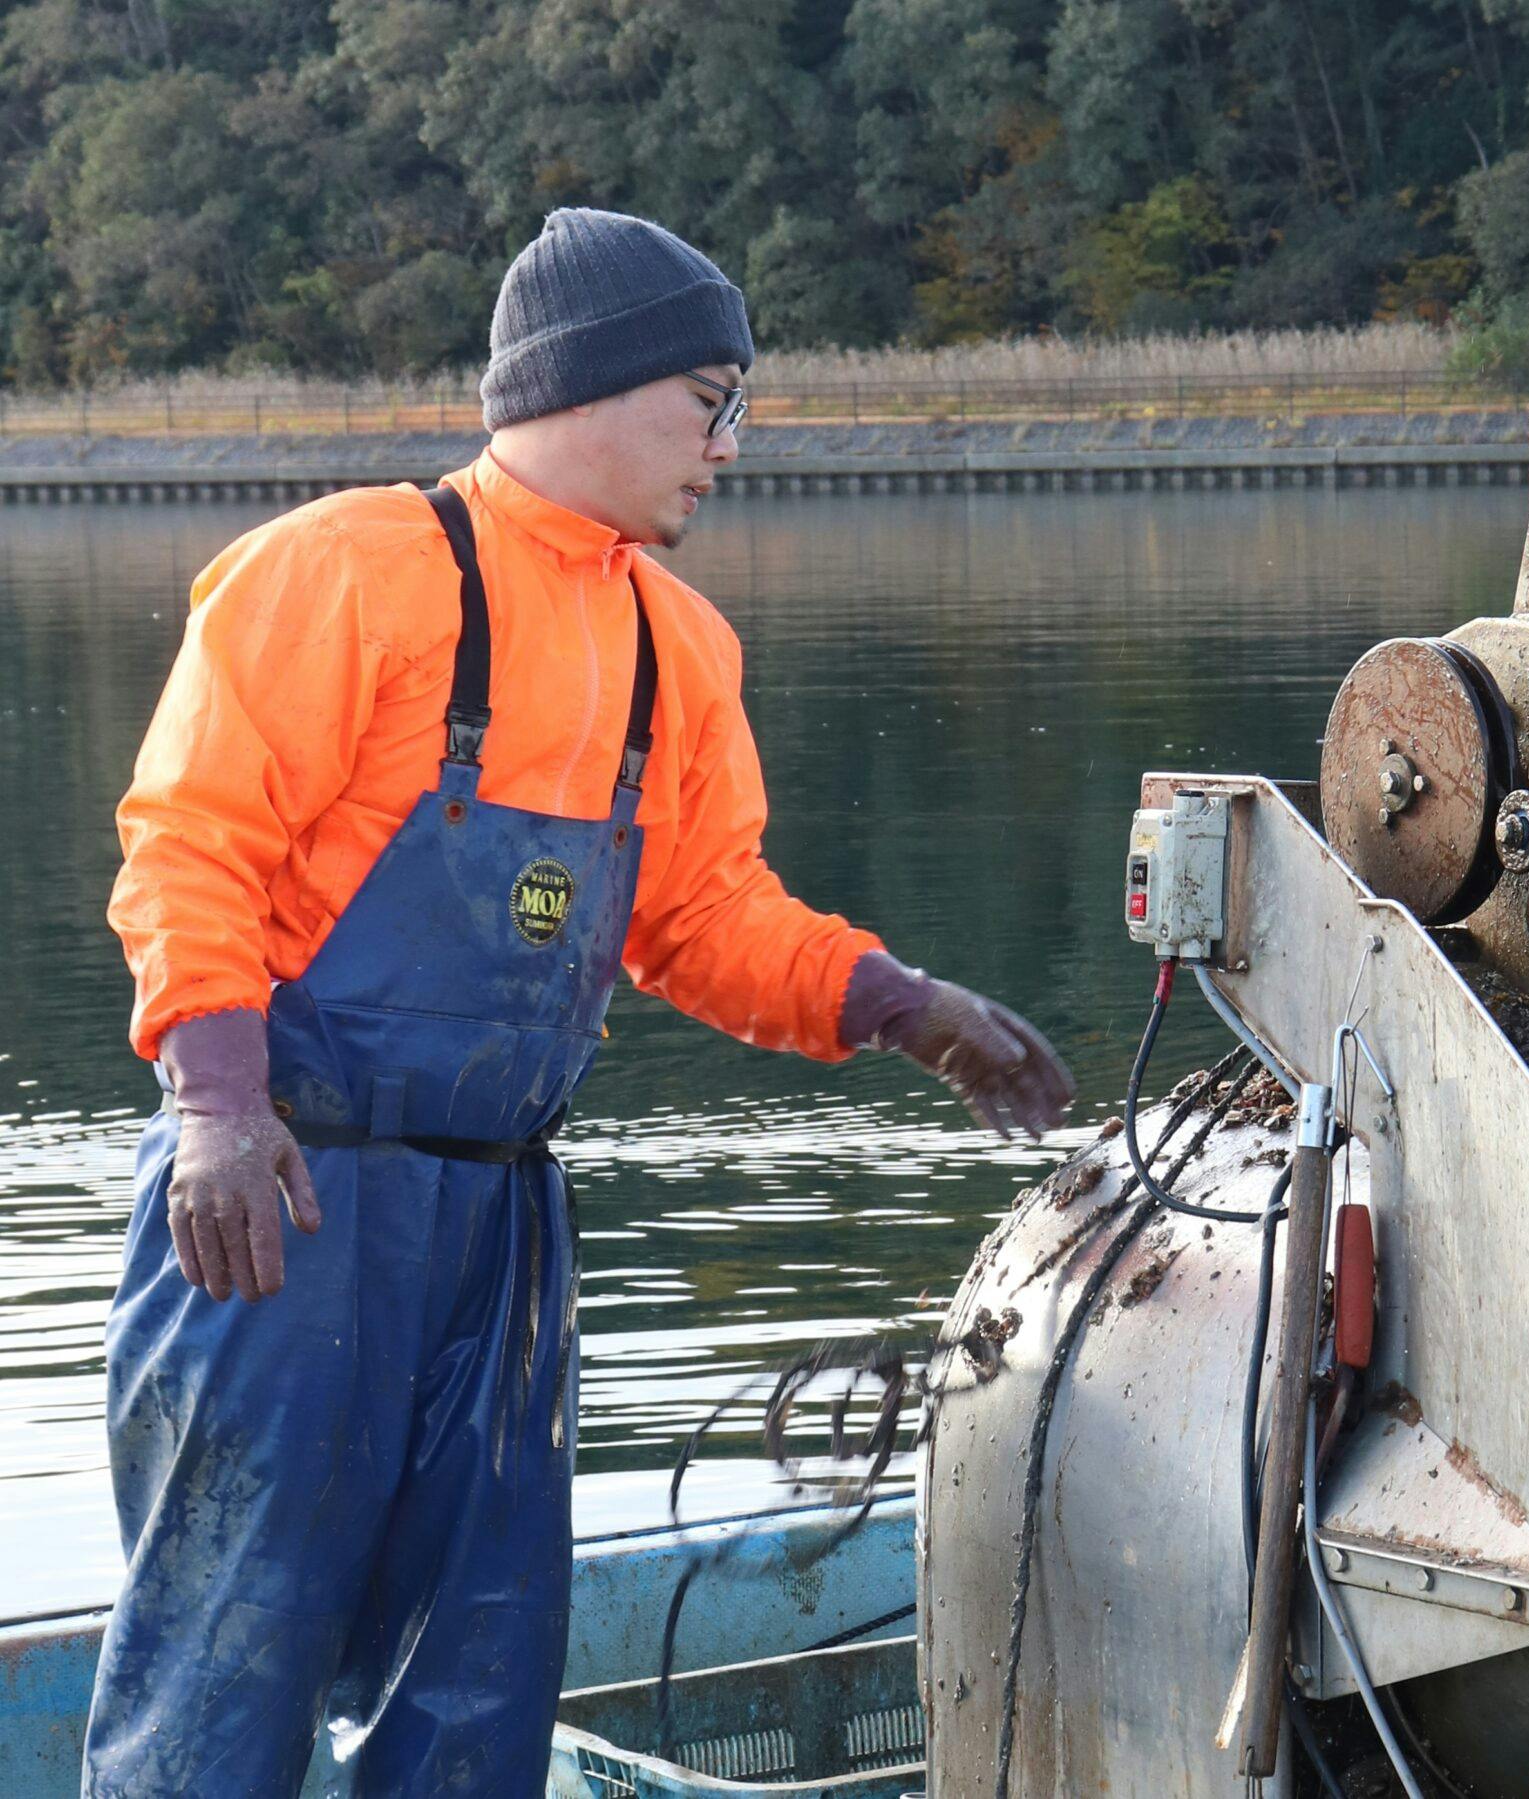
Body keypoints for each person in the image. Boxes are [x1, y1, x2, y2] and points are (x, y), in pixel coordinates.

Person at [84, 207, 1073, 1795]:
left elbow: (703, 915)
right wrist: (212, 1098)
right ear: (587, 386)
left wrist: (888, 997)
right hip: (284, 1202)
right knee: (225, 1656)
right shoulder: (340, 570)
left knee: (481, 1675)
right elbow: (191, 840)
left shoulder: (678, 645)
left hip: (498, 1235)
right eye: (710, 399)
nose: (728, 448)